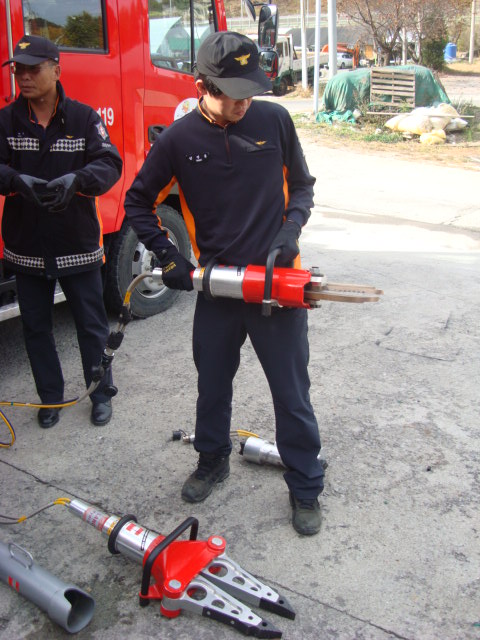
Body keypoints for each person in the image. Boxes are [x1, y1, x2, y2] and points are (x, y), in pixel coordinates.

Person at [124, 31, 324, 535]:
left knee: (291, 392)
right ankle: (212, 460)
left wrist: (290, 229)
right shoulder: (178, 141)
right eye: (232, 93)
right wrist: (170, 256)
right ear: (201, 87)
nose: (243, 102)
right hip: (218, 286)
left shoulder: (274, 121)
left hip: (276, 284)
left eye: (249, 90)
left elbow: (302, 186)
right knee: (211, 385)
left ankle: (305, 484)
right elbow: (137, 203)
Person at [0, 35, 122, 428]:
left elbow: (110, 163)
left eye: (33, 69)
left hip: (77, 244)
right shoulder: (6, 120)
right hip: (26, 247)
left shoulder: (85, 118)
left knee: (92, 326)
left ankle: (100, 394)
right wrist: (15, 181)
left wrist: (78, 180)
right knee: (36, 328)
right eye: (18, 69)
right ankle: (50, 399)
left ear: (56, 69)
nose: (24, 76)